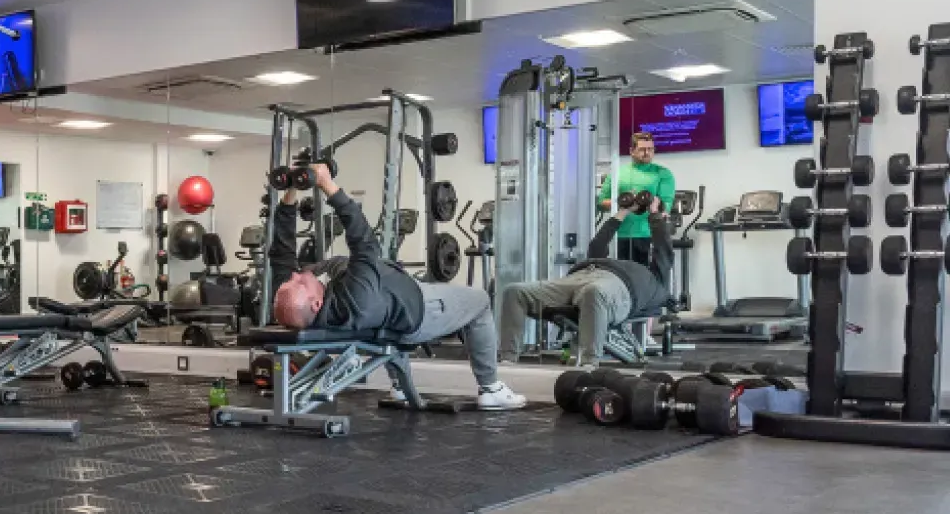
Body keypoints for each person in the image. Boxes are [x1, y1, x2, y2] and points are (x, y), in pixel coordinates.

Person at [267, 165, 525, 410]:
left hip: (384, 314)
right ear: (316, 303)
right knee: (479, 301)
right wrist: (327, 185)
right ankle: (491, 389)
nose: (298, 275)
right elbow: (363, 239)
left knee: (368, 296)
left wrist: (291, 189)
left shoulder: (296, 301)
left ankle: (400, 386)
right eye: (300, 282)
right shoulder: (356, 295)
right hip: (422, 308)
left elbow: (281, 251)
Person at [498, 196, 675, 364]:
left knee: (593, 292)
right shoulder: (604, 259)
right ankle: (507, 360)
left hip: (619, 287)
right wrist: (623, 212)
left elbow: (664, 250)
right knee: (514, 291)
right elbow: (597, 244)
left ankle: (588, 364)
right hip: (580, 276)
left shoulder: (656, 280)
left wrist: (656, 217)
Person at [598, 132, 675, 266]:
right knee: (622, 280)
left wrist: (654, 205)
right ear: (631, 151)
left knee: (647, 281)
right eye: (642, 149)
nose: (647, 153)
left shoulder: (663, 173)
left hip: (649, 235)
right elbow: (601, 203)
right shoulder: (617, 173)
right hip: (620, 235)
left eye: (650, 149)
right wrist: (621, 203)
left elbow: (666, 205)